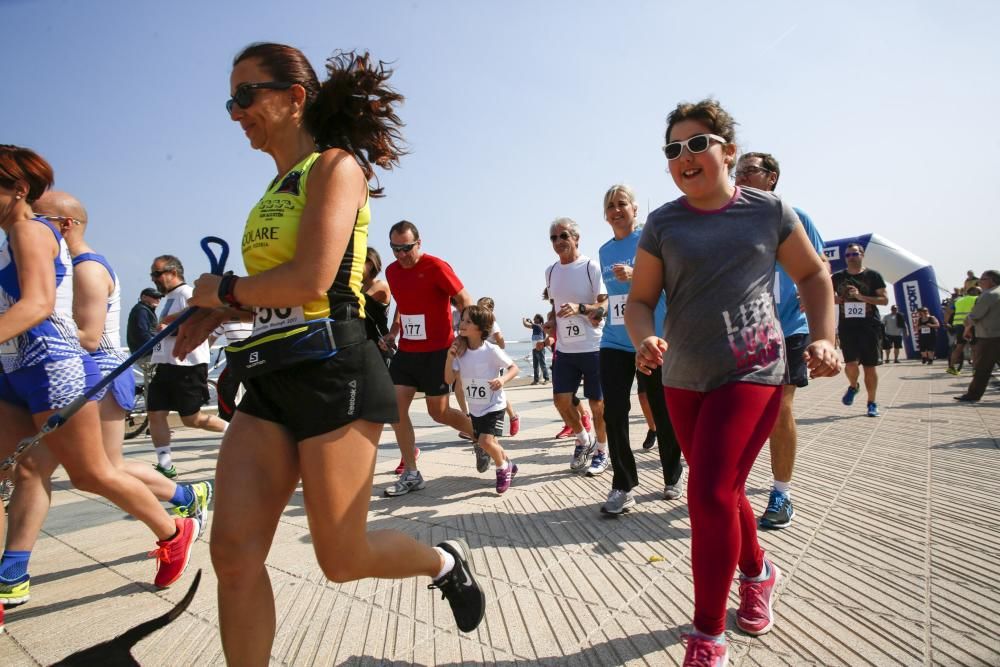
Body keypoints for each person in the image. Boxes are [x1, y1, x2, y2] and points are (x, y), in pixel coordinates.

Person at [171, 44, 485, 663]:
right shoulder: (274, 186)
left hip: (334, 369)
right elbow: (285, 292)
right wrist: (221, 310)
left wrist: (225, 287)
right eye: (229, 100)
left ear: (294, 98)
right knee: (233, 556)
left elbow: (315, 280)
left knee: (340, 559)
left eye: (245, 96)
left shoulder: (337, 167)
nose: (235, 113)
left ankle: (443, 560)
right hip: (269, 374)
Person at [625, 100, 840, 666]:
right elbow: (642, 300)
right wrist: (645, 336)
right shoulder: (663, 223)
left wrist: (823, 336)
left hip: (753, 368)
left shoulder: (768, 212)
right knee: (721, 490)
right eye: (673, 149)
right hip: (683, 376)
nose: (685, 157)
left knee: (707, 494)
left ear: (727, 150)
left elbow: (815, 274)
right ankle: (758, 571)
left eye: (697, 144)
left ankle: (707, 633)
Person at [0, 146, 198, 606]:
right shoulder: (13, 239)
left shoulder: (31, 231)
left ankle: (174, 530)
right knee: (22, 468)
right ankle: (11, 573)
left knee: (92, 474)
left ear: (18, 190)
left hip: (53, 367)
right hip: (13, 370)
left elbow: (38, 305)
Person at [734, 152, 828, 531]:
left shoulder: (794, 216)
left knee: (780, 406)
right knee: (744, 409)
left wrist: (825, 334)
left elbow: (819, 266)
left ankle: (781, 493)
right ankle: (733, 486)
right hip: (748, 330)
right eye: (736, 171)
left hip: (788, 327)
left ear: (771, 178)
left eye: (748, 171)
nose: (739, 177)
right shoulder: (733, 224)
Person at [596, 184, 683, 514]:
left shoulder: (651, 237)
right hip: (615, 341)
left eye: (622, 204)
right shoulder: (604, 251)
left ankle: (672, 474)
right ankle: (623, 484)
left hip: (652, 338)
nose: (616, 210)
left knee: (663, 410)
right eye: (610, 206)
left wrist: (637, 274)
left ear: (634, 209)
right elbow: (614, 299)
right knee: (614, 411)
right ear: (605, 215)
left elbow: (670, 279)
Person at [380, 221, 476, 494]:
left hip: (438, 352)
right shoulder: (392, 271)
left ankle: (480, 436)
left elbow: (465, 299)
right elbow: (402, 301)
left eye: (406, 248)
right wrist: (394, 331)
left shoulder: (437, 267)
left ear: (419, 243)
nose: (401, 255)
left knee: (439, 413)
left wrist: (464, 337)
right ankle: (411, 472)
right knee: (395, 408)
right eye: (395, 249)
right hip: (408, 352)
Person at [147, 254, 228, 477]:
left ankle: (233, 433)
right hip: (165, 365)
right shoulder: (169, 299)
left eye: (157, 274)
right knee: (155, 413)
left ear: (173, 273)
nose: (154, 279)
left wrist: (165, 329)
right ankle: (165, 463)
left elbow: (199, 324)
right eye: (152, 274)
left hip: (187, 366)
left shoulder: (187, 295)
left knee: (192, 419)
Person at [545, 218, 609, 472]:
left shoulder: (590, 267)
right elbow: (554, 307)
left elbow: (603, 305)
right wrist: (550, 323)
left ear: (576, 238)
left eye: (563, 236)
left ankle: (602, 451)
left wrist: (582, 309)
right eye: (553, 238)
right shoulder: (550, 271)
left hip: (594, 347)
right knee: (561, 400)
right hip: (565, 349)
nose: (559, 241)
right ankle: (584, 439)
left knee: (597, 405)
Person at [444, 305, 520, 493]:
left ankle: (502, 469)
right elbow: (448, 379)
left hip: (494, 405)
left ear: (481, 328)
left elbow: (514, 368)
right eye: (462, 320)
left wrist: (502, 379)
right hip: (475, 407)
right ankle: (509, 464)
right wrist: (448, 358)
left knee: (485, 442)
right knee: (489, 442)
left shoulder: (491, 350)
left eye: (468, 321)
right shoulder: (459, 351)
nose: (462, 324)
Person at [831, 242, 888, 417]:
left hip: (869, 326)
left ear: (862, 255)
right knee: (850, 365)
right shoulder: (838, 277)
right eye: (848, 255)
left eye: (854, 254)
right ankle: (853, 386)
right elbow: (828, 297)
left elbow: (884, 300)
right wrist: (838, 299)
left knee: (870, 367)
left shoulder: (873, 275)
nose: (851, 258)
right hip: (848, 326)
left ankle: (872, 403)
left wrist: (859, 296)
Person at [955, 270, 1000, 402]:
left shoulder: (989, 295)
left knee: (982, 368)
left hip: (989, 337)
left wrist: (967, 329)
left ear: (991, 280)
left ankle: (973, 395)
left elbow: (975, 316)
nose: (979, 282)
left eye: (982, 279)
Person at [478, 296, 520, 436]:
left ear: (490, 309)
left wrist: (497, 344)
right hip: (481, 360)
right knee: (484, 389)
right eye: (478, 307)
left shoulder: (492, 324)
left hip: (493, 360)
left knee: (496, 390)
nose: (480, 310)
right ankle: (479, 424)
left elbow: (501, 342)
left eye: (483, 307)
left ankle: (512, 417)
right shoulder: (477, 323)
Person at [362, 247, 392, 365]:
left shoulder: (381, 285)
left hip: (380, 349)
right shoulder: (359, 288)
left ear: (369, 264)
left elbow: (358, 302)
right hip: (364, 348)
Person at [947, 287, 979, 374]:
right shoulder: (976, 298)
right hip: (970, 325)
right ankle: (975, 370)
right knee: (974, 348)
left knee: (959, 347)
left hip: (958, 325)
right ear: (976, 292)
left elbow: (949, 311)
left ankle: (951, 367)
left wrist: (946, 322)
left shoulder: (959, 300)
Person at [126, 287, 162, 354]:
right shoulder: (141, 311)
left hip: (145, 353)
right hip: (146, 354)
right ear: (144, 297)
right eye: (155, 297)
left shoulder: (144, 310)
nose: (158, 300)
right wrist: (159, 349)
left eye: (159, 298)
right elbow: (143, 334)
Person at [522, 313, 550, 384]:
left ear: (538, 319)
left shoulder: (537, 326)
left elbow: (526, 325)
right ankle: (537, 380)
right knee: (536, 365)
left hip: (539, 348)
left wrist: (524, 320)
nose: (534, 319)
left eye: (535, 318)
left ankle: (546, 379)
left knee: (541, 365)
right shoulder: (541, 326)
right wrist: (531, 322)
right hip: (536, 347)